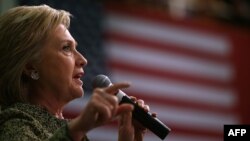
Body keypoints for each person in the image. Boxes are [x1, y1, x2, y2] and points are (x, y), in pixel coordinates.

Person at [0, 4, 150, 141]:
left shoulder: (73, 132)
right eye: (66, 48)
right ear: (31, 67)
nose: (83, 60)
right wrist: (77, 129)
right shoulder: (14, 124)